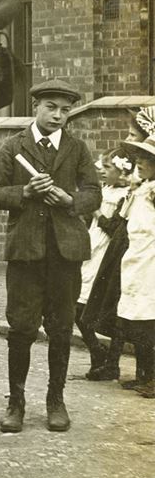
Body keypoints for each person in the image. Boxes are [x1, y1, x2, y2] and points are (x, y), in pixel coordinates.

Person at [0, 79, 101, 433]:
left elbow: (94, 193)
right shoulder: (13, 147)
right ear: (36, 106)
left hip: (65, 254)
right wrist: (24, 191)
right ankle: (16, 404)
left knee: (61, 330)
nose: (58, 115)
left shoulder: (77, 148)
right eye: (51, 107)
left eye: (65, 110)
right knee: (21, 329)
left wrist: (71, 201)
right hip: (26, 253)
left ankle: (56, 401)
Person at [75, 149, 133, 378]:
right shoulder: (104, 189)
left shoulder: (127, 195)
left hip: (107, 254)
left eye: (108, 168)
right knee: (75, 306)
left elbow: (115, 229)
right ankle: (96, 350)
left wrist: (97, 213)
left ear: (121, 173)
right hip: (92, 248)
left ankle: (112, 362)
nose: (102, 171)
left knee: (101, 306)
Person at [117, 135, 155, 397]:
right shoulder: (142, 189)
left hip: (151, 264)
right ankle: (143, 374)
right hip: (135, 261)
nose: (140, 162)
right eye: (139, 157)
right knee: (137, 322)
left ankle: (152, 377)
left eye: (148, 159)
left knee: (149, 322)